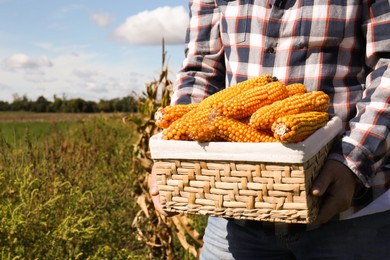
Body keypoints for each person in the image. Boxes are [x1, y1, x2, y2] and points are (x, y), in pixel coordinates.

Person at [149, 0, 390, 259]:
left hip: (351, 215)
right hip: (237, 209)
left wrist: (352, 160)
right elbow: (201, 69)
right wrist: (175, 151)